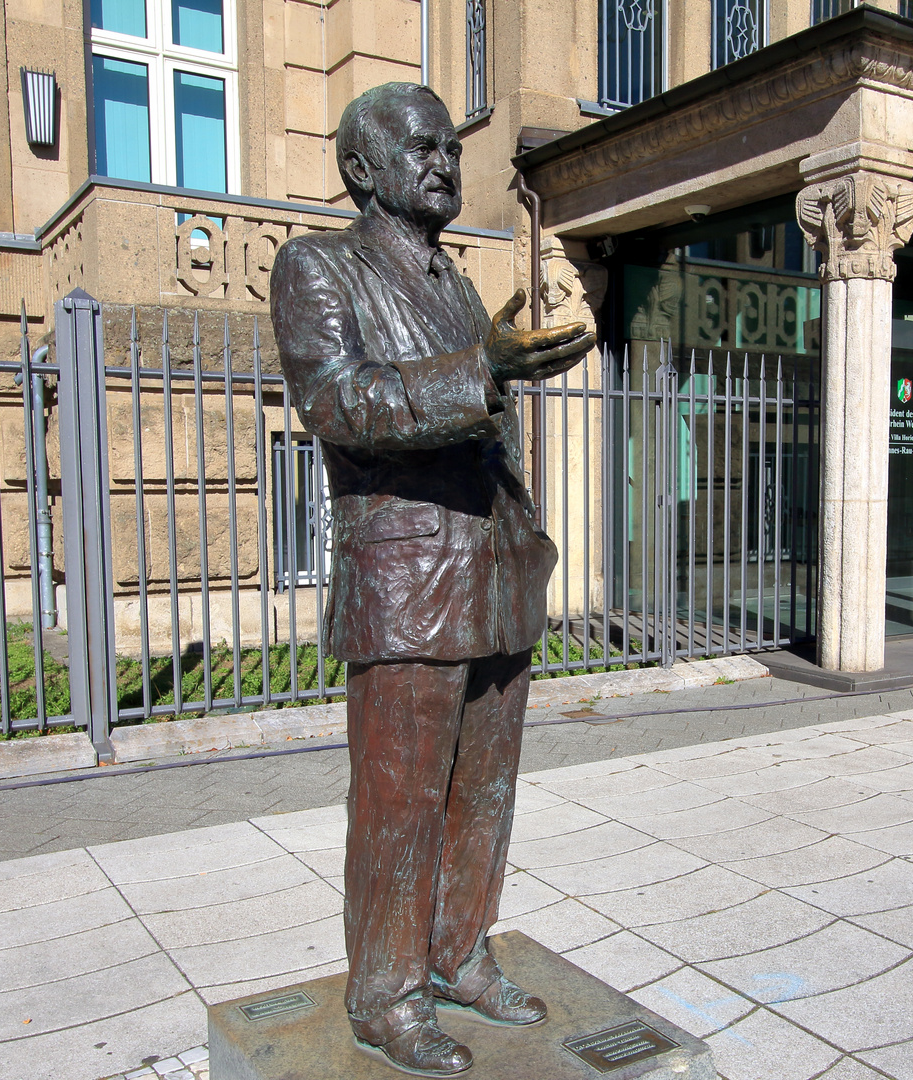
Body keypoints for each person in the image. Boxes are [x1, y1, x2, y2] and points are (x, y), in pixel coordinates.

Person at [268, 82, 594, 1076]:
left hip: (493, 575)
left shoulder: (455, 279)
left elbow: (491, 438)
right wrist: (483, 369)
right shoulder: (319, 266)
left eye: (452, 146)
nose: (445, 161)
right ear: (361, 169)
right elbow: (342, 404)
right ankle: (387, 996)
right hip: (406, 586)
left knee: (484, 793)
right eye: (420, 146)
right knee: (401, 802)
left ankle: (459, 956)